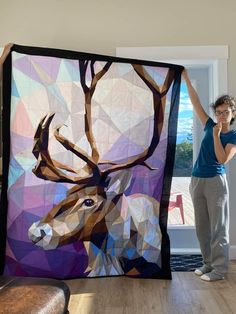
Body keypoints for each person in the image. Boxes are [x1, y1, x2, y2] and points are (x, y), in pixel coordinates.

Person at [182, 69, 236, 281]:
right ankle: (207, 264)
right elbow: (195, 103)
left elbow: (222, 159)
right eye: (219, 112)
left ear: (233, 113)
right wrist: (186, 78)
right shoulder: (209, 125)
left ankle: (220, 270)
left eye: (226, 112)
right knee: (202, 227)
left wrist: (216, 135)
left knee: (218, 228)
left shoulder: (232, 135)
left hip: (215, 183)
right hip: (197, 180)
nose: (221, 116)